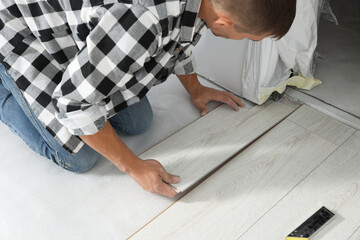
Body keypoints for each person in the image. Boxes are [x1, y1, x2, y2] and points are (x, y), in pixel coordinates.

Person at [0, 0, 296, 198]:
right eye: (246, 37)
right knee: (79, 156)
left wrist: (195, 89)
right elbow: (73, 104)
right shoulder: (142, 20)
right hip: (22, 29)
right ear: (223, 23)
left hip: (81, 29)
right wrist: (134, 167)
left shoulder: (204, 6)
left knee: (137, 120)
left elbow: (180, 39)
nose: (243, 41)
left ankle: (84, 67)